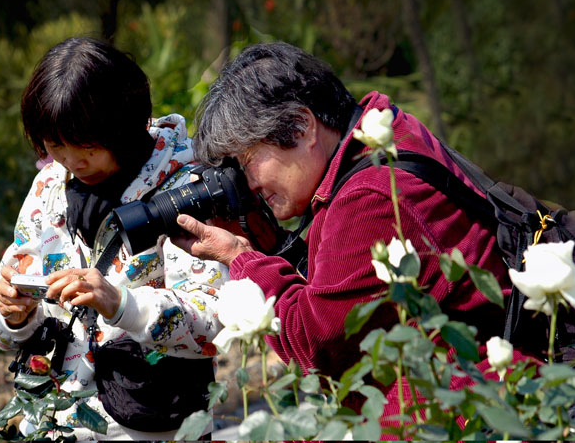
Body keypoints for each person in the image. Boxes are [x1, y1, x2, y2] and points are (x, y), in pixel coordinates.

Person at [172, 41, 534, 427]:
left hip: (463, 417)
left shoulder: (369, 195)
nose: (249, 183)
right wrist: (271, 245)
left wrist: (241, 258)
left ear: (300, 126)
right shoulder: (383, 130)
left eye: (247, 161)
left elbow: (318, 345)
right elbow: (346, 289)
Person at [0, 37, 226, 440]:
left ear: (126, 125)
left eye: (88, 147)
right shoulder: (48, 187)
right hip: (49, 420)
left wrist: (121, 304)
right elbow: (0, 323)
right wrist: (12, 312)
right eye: (56, 144)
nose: (73, 162)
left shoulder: (187, 187)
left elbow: (214, 320)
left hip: (150, 423)